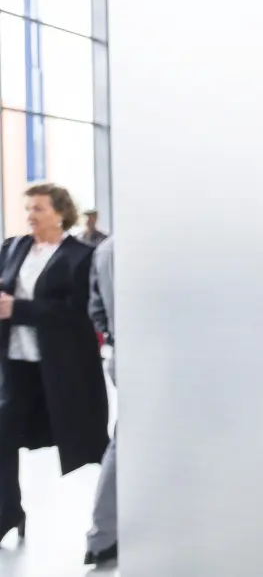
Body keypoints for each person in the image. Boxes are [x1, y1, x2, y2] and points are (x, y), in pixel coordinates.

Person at [0, 184, 109, 543]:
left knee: (89, 444)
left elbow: (78, 313)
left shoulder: (81, 256)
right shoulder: (13, 247)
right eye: (28, 208)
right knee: (2, 436)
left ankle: (111, 522)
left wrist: (19, 309)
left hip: (62, 369)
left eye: (39, 209)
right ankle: (8, 512)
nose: (30, 215)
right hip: (16, 364)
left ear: (60, 213)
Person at [84, 236, 117, 565]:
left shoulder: (106, 249)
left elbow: (96, 309)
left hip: (123, 351)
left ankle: (103, 536)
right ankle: (103, 535)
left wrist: (112, 336)